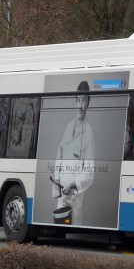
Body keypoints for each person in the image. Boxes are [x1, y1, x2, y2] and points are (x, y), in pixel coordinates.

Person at [54, 82, 95, 225]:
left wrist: (73, 184)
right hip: (61, 198)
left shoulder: (88, 132)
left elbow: (89, 173)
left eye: (83, 101)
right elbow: (59, 155)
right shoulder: (68, 127)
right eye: (78, 100)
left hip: (74, 200)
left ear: (88, 103)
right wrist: (57, 181)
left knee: (72, 231)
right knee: (58, 231)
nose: (80, 105)